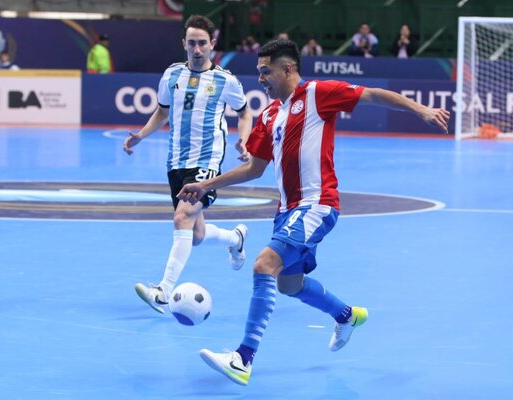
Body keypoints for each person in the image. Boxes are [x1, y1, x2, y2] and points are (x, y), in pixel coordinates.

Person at [177, 39, 450, 386]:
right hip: (287, 211)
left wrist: (421, 110)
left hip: (317, 204)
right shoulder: (269, 115)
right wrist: (206, 185)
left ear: (287, 69)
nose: (260, 78)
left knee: (264, 264)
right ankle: (346, 316)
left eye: (266, 71)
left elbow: (374, 95)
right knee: (289, 284)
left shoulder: (318, 94)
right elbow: (254, 169)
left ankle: (242, 359)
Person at [123, 15, 253, 314]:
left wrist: (243, 141)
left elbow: (244, 112)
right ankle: (235, 238)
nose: (197, 49)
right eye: (191, 43)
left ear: (212, 44)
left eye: (202, 43)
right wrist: (141, 136)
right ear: (184, 44)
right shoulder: (171, 75)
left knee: (182, 218)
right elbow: (162, 111)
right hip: (175, 162)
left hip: (206, 160)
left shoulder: (225, 80)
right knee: (194, 235)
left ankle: (163, 292)